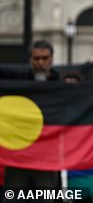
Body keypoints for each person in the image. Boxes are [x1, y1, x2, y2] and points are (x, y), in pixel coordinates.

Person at [3, 40, 61, 190]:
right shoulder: (18, 82)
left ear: (51, 59)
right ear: (30, 60)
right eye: (36, 59)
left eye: (44, 58)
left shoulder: (60, 84)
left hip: (47, 154)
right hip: (19, 154)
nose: (40, 63)